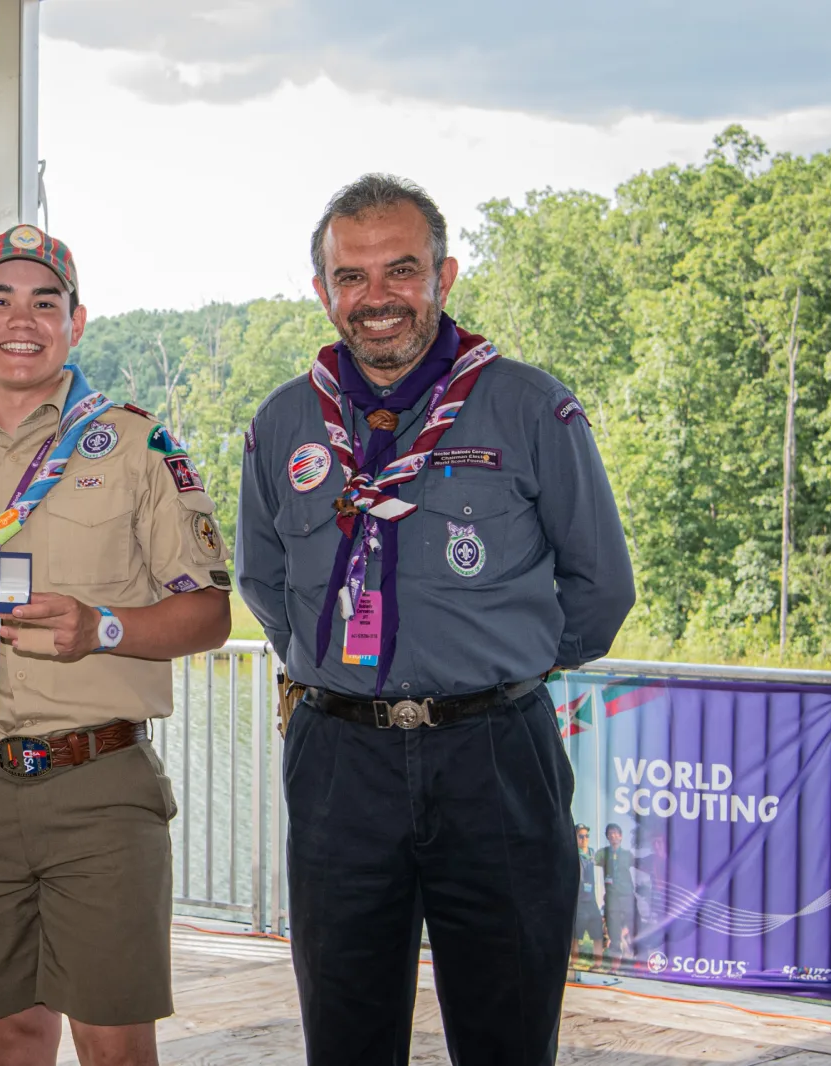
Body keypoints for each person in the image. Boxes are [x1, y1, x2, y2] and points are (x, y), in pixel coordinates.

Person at [236, 174, 634, 1065]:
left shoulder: (529, 407)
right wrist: (344, 677)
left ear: (442, 277)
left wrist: (500, 671)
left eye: (401, 270)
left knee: (506, 1036)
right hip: (339, 761)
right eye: (351, 275)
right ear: (323, 290)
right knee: (345, 1037)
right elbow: (265, 583)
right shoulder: (284, 420)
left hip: (493, 754)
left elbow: (599, 587)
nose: (376, 296)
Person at [0, 224, 232, 1066]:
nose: (19, 320)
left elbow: (210, 614)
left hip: (96, 785)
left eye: (44, 302)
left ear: (76, 321)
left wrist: (104, 628)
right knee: (15, 1039)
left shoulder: (137, 446)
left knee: (113, 1044)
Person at [596, 823, 638, 959]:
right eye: (610, 833)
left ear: (620, 836)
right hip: (612, 897)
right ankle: (615, 962)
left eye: (616, 833)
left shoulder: (627, 854)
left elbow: (639, 866)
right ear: (607, 837)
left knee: (633, 927)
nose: (613, 835)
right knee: (613, 930)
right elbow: (591, 861)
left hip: (627, 896)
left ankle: (636, 957)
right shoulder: (602, 853)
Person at [572, 824, 604, 963]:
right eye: (581, 836)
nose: (584, 839)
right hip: (579, 901)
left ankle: (598, 964)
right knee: (575, 937)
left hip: (592, 901)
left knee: (597, 935)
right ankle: (574, 964)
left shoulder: (593, 854)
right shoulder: (573, 854)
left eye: (586, 836)